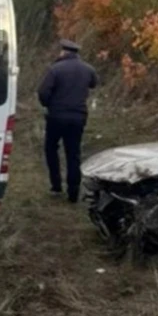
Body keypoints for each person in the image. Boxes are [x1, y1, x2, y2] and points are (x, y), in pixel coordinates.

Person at [38, 39, 98, 203]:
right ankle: (73, 192)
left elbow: (43, 92)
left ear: (64, 52)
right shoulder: (88, 69)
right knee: (73, 154)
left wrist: (48, 104)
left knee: (51, 149)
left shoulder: (55, 69)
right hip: (78, 117)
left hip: (56, 116)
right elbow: (94, 84)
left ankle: (56, 186)